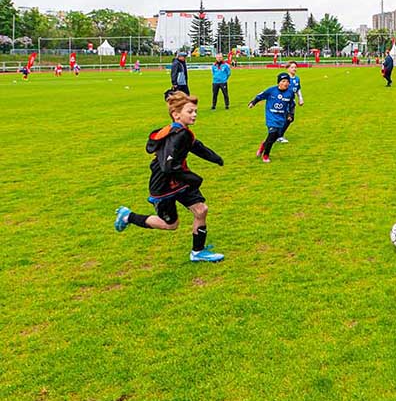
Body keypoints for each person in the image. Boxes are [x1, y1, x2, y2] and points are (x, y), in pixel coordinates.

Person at [114, 92, 225, 263]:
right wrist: (194, 179)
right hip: (163, 184)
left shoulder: (184, 132)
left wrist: (216, 158)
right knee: (171, 225)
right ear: (176, 114)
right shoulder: (176, 135)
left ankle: (198, 252)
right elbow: (168, 167)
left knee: (201, 210)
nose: (194, 114)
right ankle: (128, 216)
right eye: (190, 111)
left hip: (179, 180)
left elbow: (197, 147)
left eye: (195, 111)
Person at [248, 72, 295, 163]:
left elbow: (292, 105)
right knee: (272, 134)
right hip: (271, 117)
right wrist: (253, 102)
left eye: (287, 81)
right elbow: (260, 96)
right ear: (279, 82)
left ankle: (263, 145)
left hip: (281, 118)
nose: (285, 83)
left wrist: (290, 115)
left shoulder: (290, 93)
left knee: (275, 137)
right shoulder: (271, 91)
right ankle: (266, 155)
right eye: (283, 81)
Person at [277, 62, 304, 143]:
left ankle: (278, 134)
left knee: (290, 119)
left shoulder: (297, 79)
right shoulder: (285, 78)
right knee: (286, 118)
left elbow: (298, 89)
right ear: (288, 68)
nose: (294, 69)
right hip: (284, 101)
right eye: (292, 67)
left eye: (295, 67)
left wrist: (300, 98)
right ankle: (279, 136)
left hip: (292, 102)